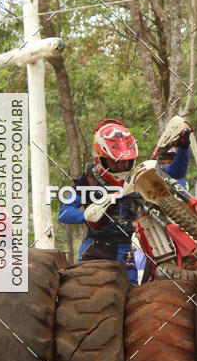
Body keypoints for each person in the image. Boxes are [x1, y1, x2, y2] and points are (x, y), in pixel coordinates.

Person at [58, 119, 139, 282]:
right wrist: (89, 214)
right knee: (80, 292)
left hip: (125, 250)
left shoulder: (136, 179)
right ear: (101, 158)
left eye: (124, 163)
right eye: (115, 163)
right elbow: (64, 213)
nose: (121, 167)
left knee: (135, 292)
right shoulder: (88, 180)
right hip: (94, 249)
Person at [151, 116, 193, 189]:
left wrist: (183, 148)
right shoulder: (152, 182)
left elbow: (178, 167)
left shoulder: (178, 176)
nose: (166, 166)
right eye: (163, 163)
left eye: (170, 163)